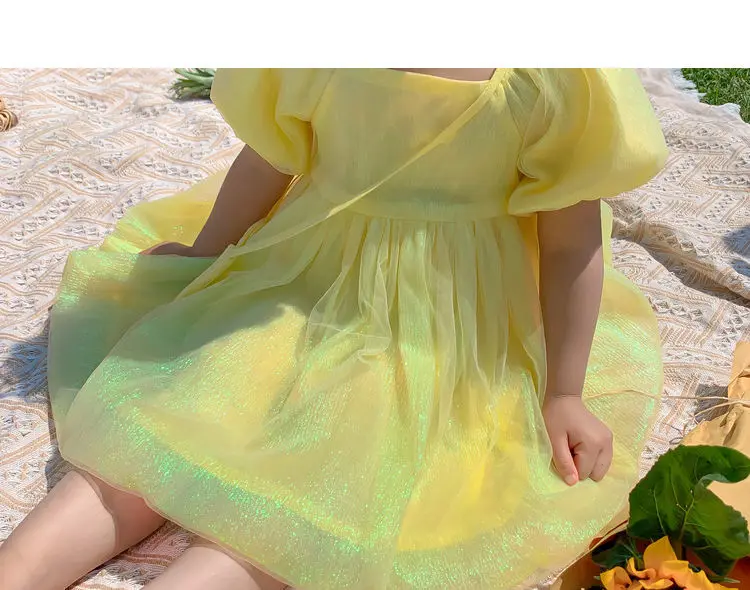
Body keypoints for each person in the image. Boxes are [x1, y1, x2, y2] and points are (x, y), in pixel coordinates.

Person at [0, 68, 668, 590]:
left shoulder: (552, 74)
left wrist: (563, 391)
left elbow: (569, 238)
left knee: (300, 498)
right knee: (161, 428)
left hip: (439, 326)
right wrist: (206, 253)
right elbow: (271, 158)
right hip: (299, 277)